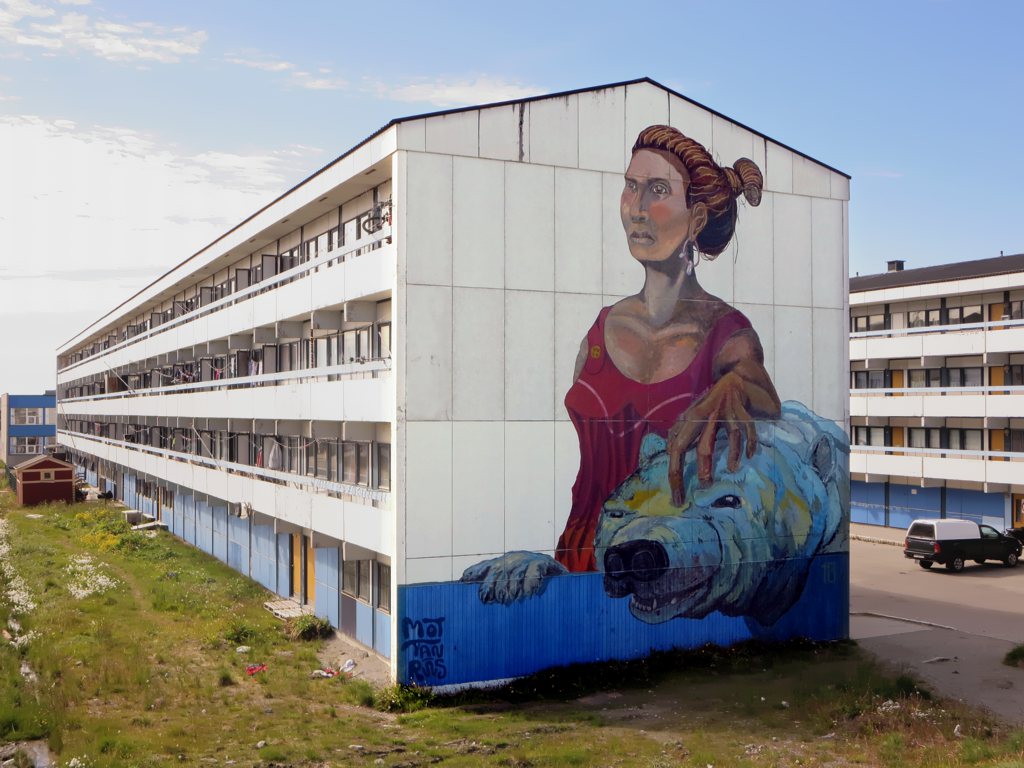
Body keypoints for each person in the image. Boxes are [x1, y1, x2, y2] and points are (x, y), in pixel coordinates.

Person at [557, 125, 781, 573]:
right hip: (578, 560)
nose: (637, 208)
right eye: (631, 186)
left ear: (696, 219)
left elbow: (765, 397)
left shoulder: (726, 333)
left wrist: (733, 386)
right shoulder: (600, 331)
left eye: (657, 190)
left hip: (665, 568)